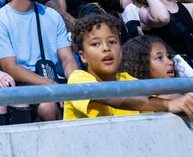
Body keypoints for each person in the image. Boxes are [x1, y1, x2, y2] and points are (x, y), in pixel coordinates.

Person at [0, 0, 78, 121]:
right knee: (47, 106)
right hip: (24, 86)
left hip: (55, 81)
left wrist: (74, 85)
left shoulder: (52, 15)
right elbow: (10, 68)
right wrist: (50, 86)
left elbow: (67, 58)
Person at [65, 14, 193, 120]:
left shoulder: (128, 80)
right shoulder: (78, 78)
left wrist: (184, 101)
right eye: (95, 44)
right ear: (83, 57)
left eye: (112, 42)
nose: (106, 48)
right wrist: (168, 105)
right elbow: (108, 96)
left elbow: (153, 99)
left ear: (120, 50)